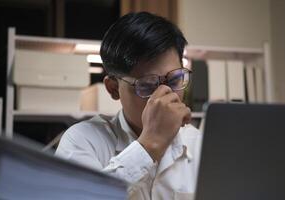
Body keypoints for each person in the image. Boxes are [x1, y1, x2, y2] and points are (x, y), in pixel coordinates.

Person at [55, 12, 202, 200]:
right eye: (147, 85)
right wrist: (150, 144)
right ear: (113, 88)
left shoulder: (200, 144)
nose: (166, 95)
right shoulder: (82, 141)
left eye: (174, 80)